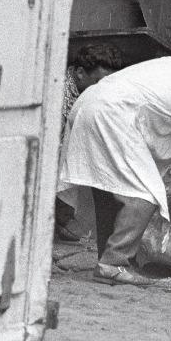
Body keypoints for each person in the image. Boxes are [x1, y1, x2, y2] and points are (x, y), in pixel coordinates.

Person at [57, 42, 171, 286]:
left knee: (108, 187)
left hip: (88, 104)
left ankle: (108, 260)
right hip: (110, 113)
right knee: (146, 192)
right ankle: (113, 262)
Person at [55, 43, 124, 242]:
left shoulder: (87, 90)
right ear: (79, 73)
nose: (104, 88)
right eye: (98, 81)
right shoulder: (58, 93)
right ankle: (61, 217)